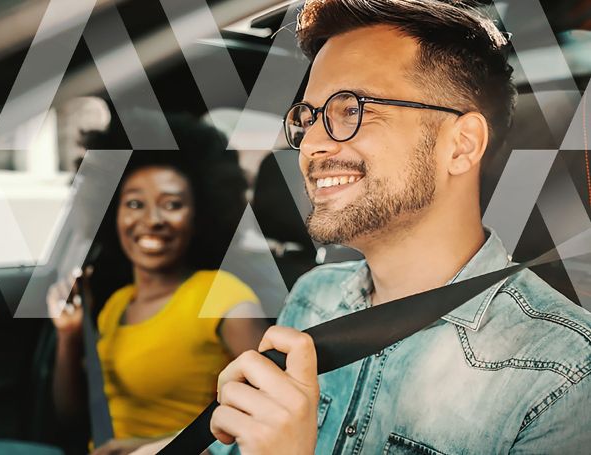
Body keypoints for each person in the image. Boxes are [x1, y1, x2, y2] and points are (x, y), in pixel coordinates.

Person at [198, 1, 591, 454]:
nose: (312, 145)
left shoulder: (564, 373)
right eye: (308, 118)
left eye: (353, 110)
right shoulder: (313, 296)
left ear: (461, 146)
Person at [48, 115, 269, 455]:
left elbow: (269, 420)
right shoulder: (117, 304)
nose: (152, 220)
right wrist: (69, 337)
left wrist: (145, 449)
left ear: (199, 217)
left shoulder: (224, 297)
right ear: (112, 213)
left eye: (172, 205)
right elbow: (71, 415)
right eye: (135, 203)